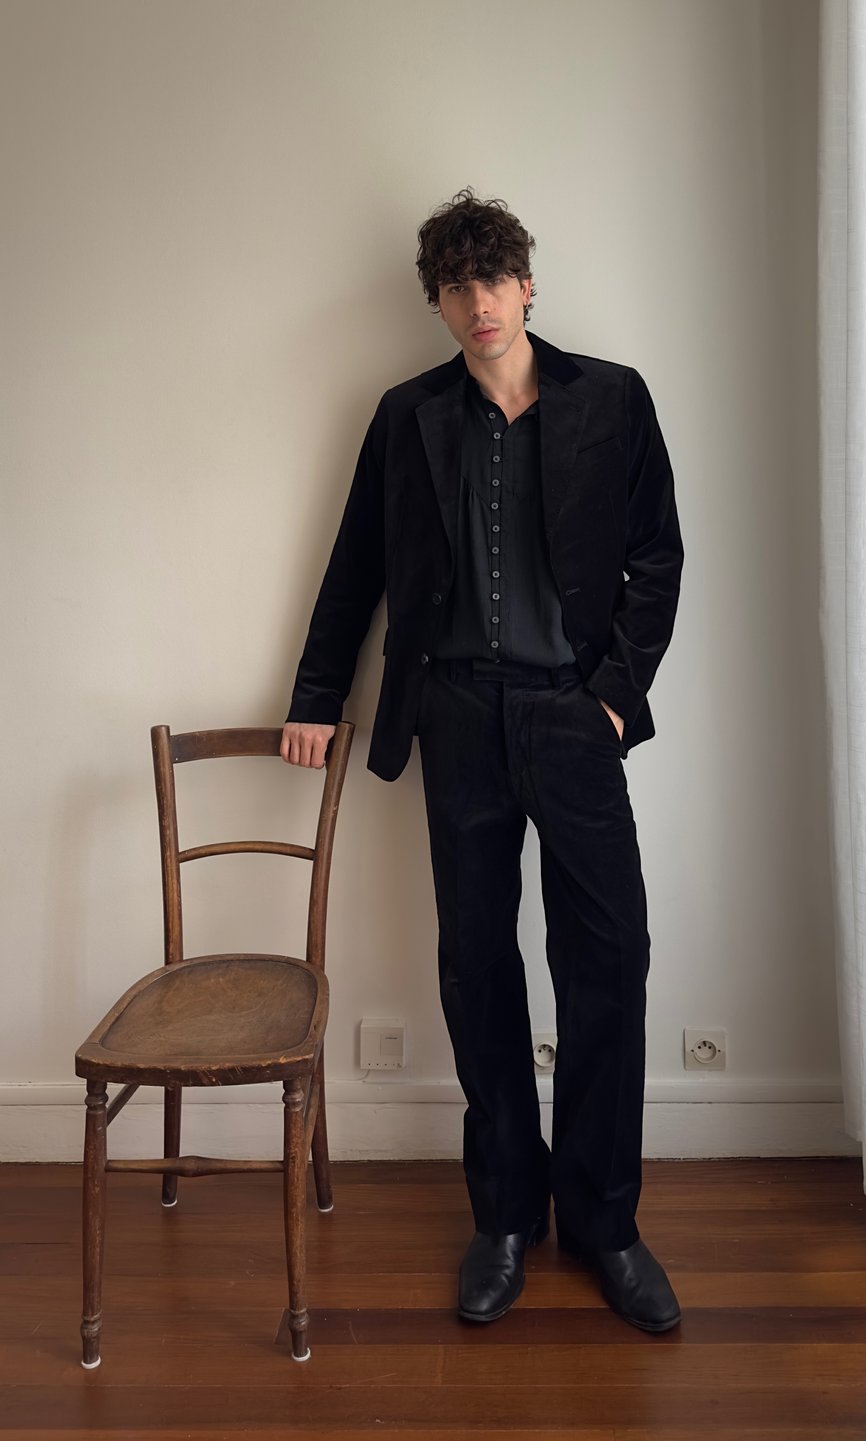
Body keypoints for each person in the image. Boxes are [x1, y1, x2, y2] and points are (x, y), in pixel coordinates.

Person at [280, 187, 684, 1332]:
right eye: (455, 286)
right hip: (456, 713)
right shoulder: (407, 415)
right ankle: (504, 1215)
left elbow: (657, 557)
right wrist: (316, 698)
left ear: (526, 283)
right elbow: (357, 566)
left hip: (572, 716)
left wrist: (613, 701)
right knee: (477, 965)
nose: (478, 302)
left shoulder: (612, 399)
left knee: (608, 955)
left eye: (493, 278)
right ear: (439, 302)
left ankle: (604, 1222)